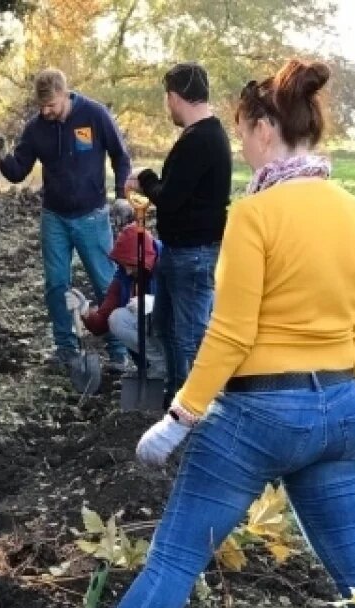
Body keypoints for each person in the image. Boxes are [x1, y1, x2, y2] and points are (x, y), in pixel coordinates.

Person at [5, 60, 355, 608]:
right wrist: (334, 405)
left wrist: (180, 415)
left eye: (245, 131)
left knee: (175, 556)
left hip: (258, 415)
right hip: (341, 406)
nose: (241, 145)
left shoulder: (255, 214)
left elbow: (231, 332)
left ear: (267, 127)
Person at [0, 68, 132, 374]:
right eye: (41, 106)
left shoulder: (94, 115)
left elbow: (120, 155)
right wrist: (2, 155)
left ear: (64, 94)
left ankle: (118, 351)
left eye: (51, 105)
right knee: (56, 284)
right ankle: (65, 349)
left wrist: (122, 194)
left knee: (106, 283)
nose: (46, 112)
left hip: (92, 215)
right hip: (55, 217)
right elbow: (18, 170)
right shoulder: (36, 128)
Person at [128, 62, 232, 399]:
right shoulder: (203, 135)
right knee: (167, 329)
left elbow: (170, 198)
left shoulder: (200, 140)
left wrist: (145, 178)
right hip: (181, 251)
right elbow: (180, 191)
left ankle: (197, 408)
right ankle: (176, 399)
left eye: (167, 97)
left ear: (174, 97)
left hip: (193, 254)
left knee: (189, 338)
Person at [70, 223, 166, 379]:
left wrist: (156, 304)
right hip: (156, 342)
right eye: (124, 265)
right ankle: (159, 366)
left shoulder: (170, 263)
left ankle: (178, 370)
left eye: (131, 265)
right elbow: (103, 322)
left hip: (179, 341)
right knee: (118, 318)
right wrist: (84, 310)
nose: (127, 271)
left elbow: (191, 312)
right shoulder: (124, 277)